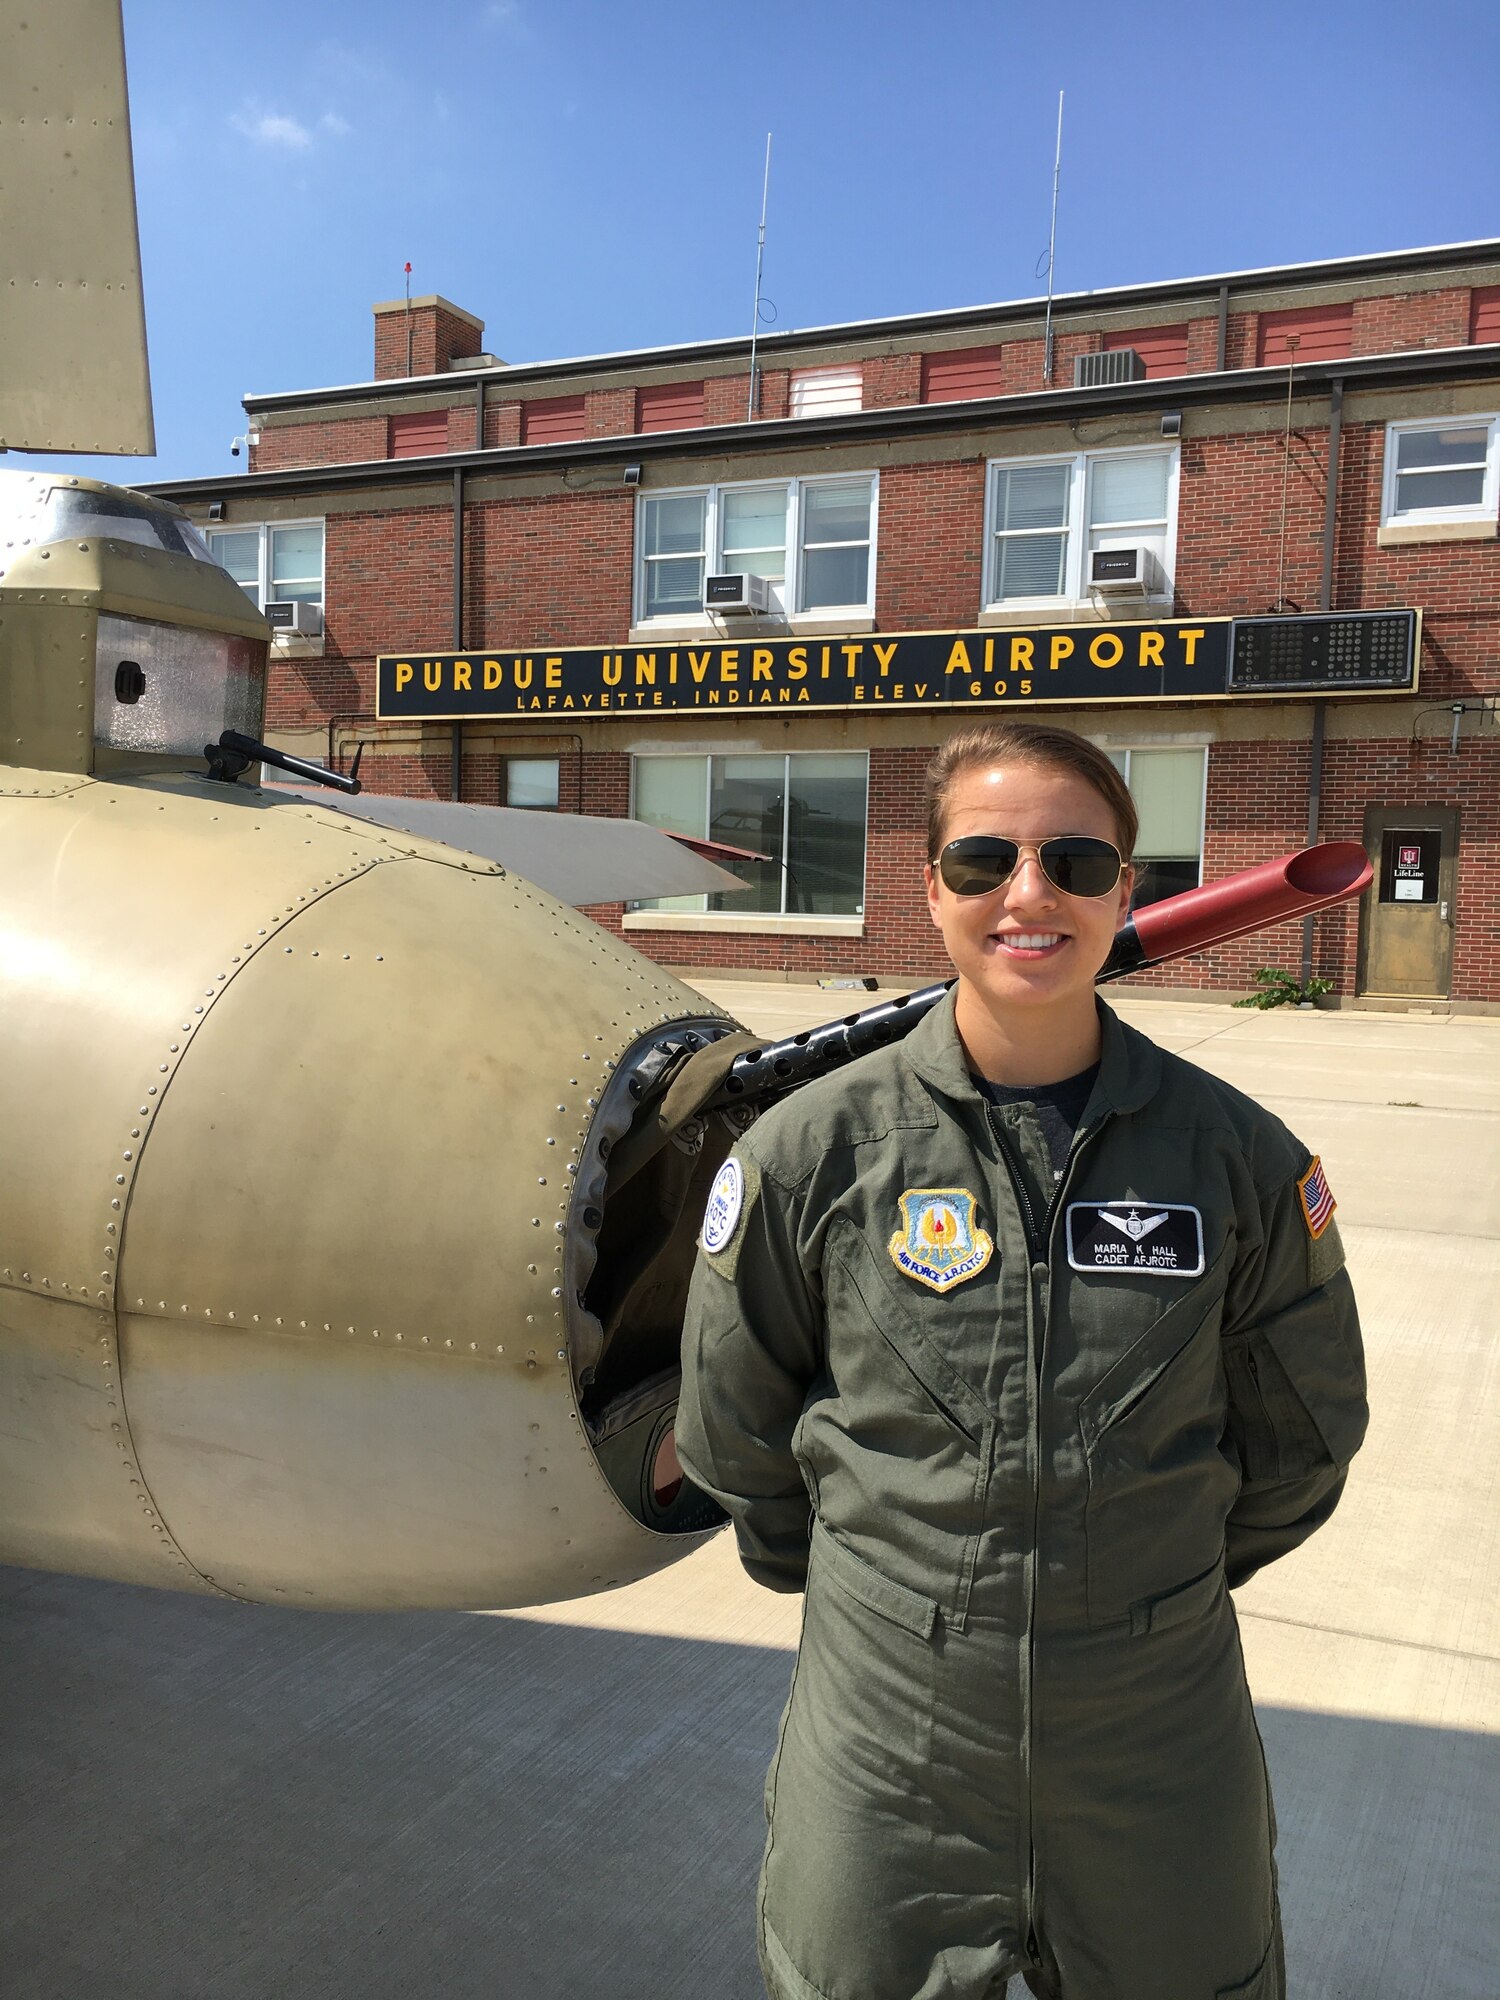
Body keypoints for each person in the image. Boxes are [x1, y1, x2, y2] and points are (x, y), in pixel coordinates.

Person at [675, 719, 1367, 2000]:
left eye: (1077, 861)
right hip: (889, 1736)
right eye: (985, 858)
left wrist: (1140, 1586)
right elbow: (734, 1425)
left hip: (1158, 1734)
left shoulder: (1242, 1160)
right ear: (931, 887)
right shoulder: (808, 1154)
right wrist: (880, 1589)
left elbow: (1303, 1439)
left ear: (1128, 886)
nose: (1030, 893)